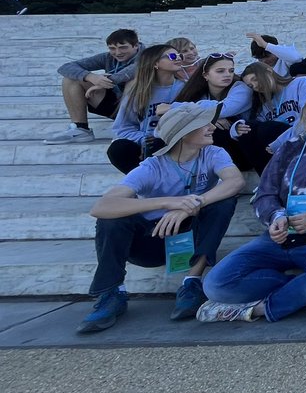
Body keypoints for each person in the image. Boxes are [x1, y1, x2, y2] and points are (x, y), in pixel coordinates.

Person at [198, 84, 306, 323]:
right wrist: (276, 218)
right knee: (216, 284)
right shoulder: (291, 146)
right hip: (279, 235)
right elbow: (265, 193)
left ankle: (255, 310)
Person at [76, 102, 244, 333]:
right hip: (152, 239)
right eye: (202, 124)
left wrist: (190, 205)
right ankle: (111, 293)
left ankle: (192, 282)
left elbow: (235, 182)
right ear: (182, 134)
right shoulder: (152, 167)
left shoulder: (213, 153)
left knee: (223, 202)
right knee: (111, 219)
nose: (211, 127)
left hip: (189, 234)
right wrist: (167, 202)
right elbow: (101, 206)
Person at [45, 28, 142, 144]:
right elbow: (65, 67)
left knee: (133, 80)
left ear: (136, 45)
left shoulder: (148, 56)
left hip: (140, 108)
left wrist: (107, 81)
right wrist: (91, 77)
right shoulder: (108, 57)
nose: (117, 52)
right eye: (112, 48)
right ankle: (80, 128)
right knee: (71, 79)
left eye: (123, 47)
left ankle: (129, 127)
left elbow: (134, 70)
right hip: (115, 103)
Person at [107, 45, 187, 173]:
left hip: (179, 141)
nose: (178, 58)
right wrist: (143, 139)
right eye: (172, 56)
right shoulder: (137, 92)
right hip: (147, 141)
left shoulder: (186, 88)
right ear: (155, 63)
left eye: (179, 56)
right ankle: (144, 185)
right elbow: (123, 127)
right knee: (118, 149)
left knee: (158, 143)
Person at [229, 62, 306, 172]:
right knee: (249, 128)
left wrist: (281, 141)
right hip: (277, 147)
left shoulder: (300, 83)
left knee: (266, 129)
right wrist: (236, 128)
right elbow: (254, 126)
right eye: (251, 86)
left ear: (269, 71)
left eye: (255, 79)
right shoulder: (265, 104)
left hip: (303, 138)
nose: (255, 86)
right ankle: (266, 179)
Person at [173, 52, 253, 167]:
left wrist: (209, 117)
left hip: (243, 140)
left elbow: (223, 109)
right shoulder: (199, 93)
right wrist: (211, 118)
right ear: (206, 75)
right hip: (215, 145)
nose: (227, 75)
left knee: (217, 131)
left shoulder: (241, 88)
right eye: (220, 71)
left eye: (231, 70)